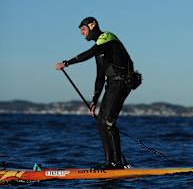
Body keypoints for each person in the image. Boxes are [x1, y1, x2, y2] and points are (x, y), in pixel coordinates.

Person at [55, 17, 136, 169]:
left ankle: (116, 163)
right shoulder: (100, 51)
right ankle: (110, 162)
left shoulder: (107, 37)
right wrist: (94, 101)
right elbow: (100, 77)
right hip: (112, 84)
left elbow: (90, 52)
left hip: (122, 81)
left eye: (84, 30)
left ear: (92, 25)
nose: (82, 34)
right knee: (101, 122)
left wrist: (67, 63)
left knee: (108, 121)